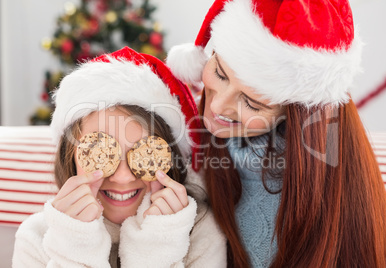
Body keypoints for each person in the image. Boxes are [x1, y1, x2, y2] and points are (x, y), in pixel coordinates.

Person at [166, 0, 386, 267]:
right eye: (219, 72)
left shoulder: (318, 189)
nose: (216, 106)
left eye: (252, 103)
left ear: (295, 115)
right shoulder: (182, 124)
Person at [12, 47, 226, 267]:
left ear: (170, 158)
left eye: (144, 154)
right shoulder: (36, 239)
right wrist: (75, 247)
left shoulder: (200, 231)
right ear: (71, 158)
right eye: (99, 152)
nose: (122, 177)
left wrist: (157, 248)